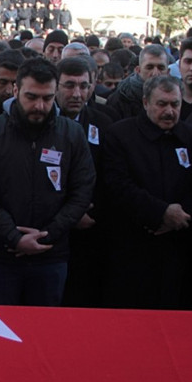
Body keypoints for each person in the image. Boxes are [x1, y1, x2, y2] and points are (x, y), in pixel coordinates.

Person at [0, 57, 95, 306]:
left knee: (45, 333)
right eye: (31, 97)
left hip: (51, 256)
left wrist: (47, 236)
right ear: (16, 91)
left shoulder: (71, 134)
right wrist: (14, 237)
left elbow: (82, 191)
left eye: (47, 98)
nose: (39, 106)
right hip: (1, 256)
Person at [101, 76, 192, 309]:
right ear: (146, 103)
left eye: (175, 104)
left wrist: (182, 216)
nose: (169, 111)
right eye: (162, 104)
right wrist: (160, 212)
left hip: (178, 245)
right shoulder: (120, 135)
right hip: (132, 246)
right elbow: (118, 185)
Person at [54, 56, 113, 307]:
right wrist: (67, 214)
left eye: (83, 86)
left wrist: (92, 212)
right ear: (55, 86)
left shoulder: (105, 122)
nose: (77, 93)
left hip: (91, 228)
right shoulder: (40, 122)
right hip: (53, 227)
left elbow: (111, 176)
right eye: (69, 85)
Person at [105, 44, 168, 119]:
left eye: (161, 68)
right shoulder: (119, 99)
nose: (155, 73)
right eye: (149, 67)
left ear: (168, 72)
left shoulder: (178, 96)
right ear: (138, 70)